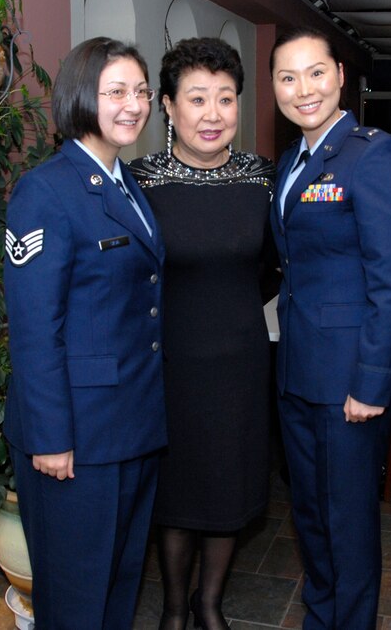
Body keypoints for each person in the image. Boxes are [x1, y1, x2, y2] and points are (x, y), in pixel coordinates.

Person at [3, 37, 167, 628]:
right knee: (75, 599)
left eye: (141, 92)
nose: (134, 105)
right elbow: (33, 328)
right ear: (81, 96)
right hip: (73, 439)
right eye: (115, 91)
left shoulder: (124, 182)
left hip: (131, 426)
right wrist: (50, 438)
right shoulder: (46, 190)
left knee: (119, 586)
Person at [268, 27, 391, 628]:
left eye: (315, 73)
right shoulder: (291, 161)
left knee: (348, 521)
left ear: (340, 78)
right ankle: (320, 616)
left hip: (350, 379)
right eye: (287, 77)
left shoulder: (371, 154)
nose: (303, 89)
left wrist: (371, 383)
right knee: (310, 513)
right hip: (299, 369)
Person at [128, 37, 277, 630]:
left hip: (241, 362)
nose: (212, 114)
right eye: (197, 99)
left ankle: (208, 604)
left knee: (228, 487)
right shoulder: (140, 183)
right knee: (178, 494)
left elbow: (277, 263)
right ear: (167, 106)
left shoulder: (263, 181)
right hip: (170, 365)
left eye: (225, 98)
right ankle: (171, 608)